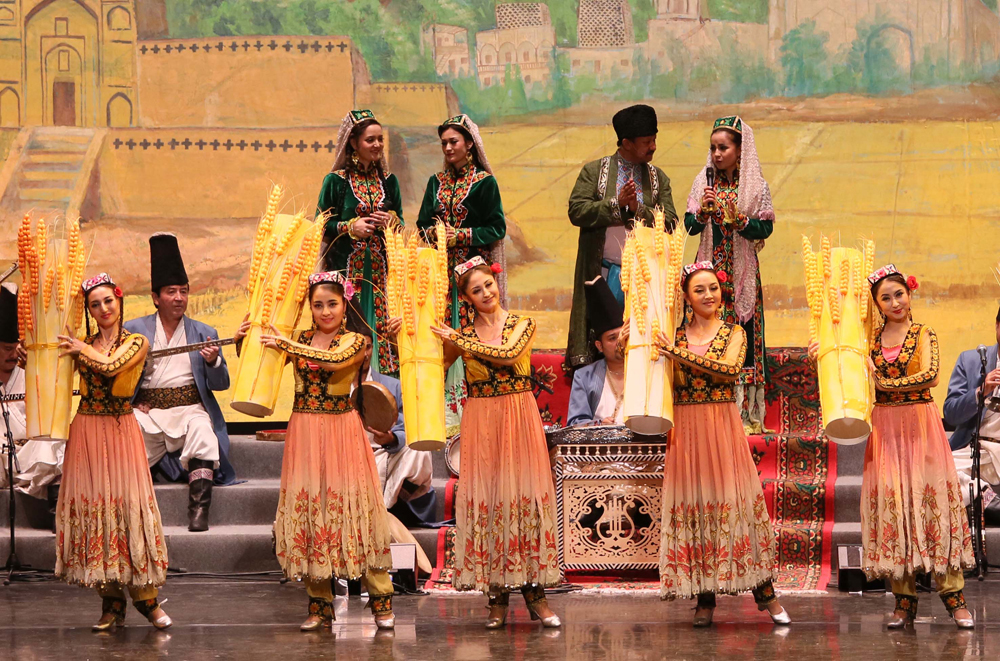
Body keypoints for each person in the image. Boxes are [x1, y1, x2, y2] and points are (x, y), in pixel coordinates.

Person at [237, 271, 395, 631]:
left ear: (345, 305)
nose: (325, 311)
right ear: (309, 307)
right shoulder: (300, 338)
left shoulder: (355, 340)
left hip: (341, 431)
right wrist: (243, 341)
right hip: (305, 431)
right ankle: (319, 604)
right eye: (318, 305)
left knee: (355, 512)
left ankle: (381, 601)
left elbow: (333, 362)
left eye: (332, 304)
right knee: (309, 511)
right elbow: (265, 363)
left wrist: (286, 345)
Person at [653, 262, 789, 627]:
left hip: (721, 424)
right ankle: (704, 597)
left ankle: (765, 593)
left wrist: (674, 353)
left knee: (735, 505)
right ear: (686, 297)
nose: (708, 295)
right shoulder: (674, 335)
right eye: (699, 290)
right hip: (686, 428)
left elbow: (728, 369)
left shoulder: (734, 333)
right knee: (696, 506)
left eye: (713, 287)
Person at [430, 256, 561, 629]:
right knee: (489, 501)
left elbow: (509, 355)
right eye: (477, 290)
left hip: (517, 415)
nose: (486, 292)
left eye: (488, 284)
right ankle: (496, 597)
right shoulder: (463, 335)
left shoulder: (522, 324)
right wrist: (404, 335)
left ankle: (536, 595)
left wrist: (456, 338)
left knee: (524, 498)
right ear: (466, 298)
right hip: (482, 418)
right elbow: (431, 364)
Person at [846, 265, 974, 629]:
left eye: (899, 294)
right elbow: (848, 371)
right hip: (885, 427)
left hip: (920, 423)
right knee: (895, 508)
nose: (894, 303)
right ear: (877, 305)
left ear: (910, 294)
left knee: (932, 504)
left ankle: (954, 598)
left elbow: (930, 376)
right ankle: (904, 600)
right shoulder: (869, 340)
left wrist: (883, 383)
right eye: (885, 298)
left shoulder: (923, 334)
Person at [55, 273, 171, 631]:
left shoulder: (136, 341)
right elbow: (58, 372)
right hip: (87, 430)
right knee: (95, 511)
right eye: (95, 304)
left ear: (119, 301)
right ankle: (111, 601)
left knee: (127, 508)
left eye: (108, 300)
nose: (103, 308)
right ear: (89, 311)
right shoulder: (84, 343)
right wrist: (35, 359)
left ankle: (147, 600)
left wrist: (80, 350)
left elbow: (111, 367)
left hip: (120, 431)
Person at [124, 233, 235, 532]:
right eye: (171, 291)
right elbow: (121, 375)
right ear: (155, 297)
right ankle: (129, 510)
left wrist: (213, 362)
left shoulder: (204, 332)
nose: (178, 298)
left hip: (189, 409)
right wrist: (135, 401)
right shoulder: (133, 329)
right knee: (126, 431)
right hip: (148, 413)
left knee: (202, 430)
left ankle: (198, 509)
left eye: (183, 291)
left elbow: (221, 384)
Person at [566, 104, 677, 369]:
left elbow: (671, 222)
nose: (653, 146)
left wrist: (639, 209)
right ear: (626, 143)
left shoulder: (658, 178)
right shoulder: (595, 172)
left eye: (654, 139)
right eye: (646, 142)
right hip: (604, 276)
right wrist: (617, 204)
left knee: (644, 348)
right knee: (604, 343)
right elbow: (577, 211)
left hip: (646, 281)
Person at [416, 114, 507, 434]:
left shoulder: (484, 182)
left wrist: (462, 236)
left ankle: (473, 411)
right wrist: (434, 234)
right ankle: (440, 415)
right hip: (440, 278)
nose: (448, 148)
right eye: (443, 143)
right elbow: (421, 224)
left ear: (469, 144)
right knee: (440, 334)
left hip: (471, 278)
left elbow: (497, 228)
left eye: (453, 141)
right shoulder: (435, 182)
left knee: (469, 335)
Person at [685, 116, 774, 434]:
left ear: (740, 149)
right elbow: (690, 226)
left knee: (744, 337)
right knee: (708, 334)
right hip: (709, 275)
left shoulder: (755, 186)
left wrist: (742, 222)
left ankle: (745, 414)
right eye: (713, 148)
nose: (717, 154)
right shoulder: (703, 182)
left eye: (723, 147)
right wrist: (702, 212)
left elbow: (766, 227)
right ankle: (708, 410)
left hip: (742, 276)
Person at [316, 109, 404, 377]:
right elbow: (320, 224)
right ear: (354, 143)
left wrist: (391, 220)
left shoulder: (389, 181)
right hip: (346, 271)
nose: (377, 145)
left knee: (383, 328)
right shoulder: (336, 181)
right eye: (370, 140)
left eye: (380, 139)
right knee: (349, 327)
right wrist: (350, 227)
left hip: (382, 275)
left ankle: (385, 390)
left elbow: (401, 224)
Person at [352, 323, 436, 526]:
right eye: (358, 348)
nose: (365, 354)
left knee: (419, 450)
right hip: (349, 457)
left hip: (385, 454)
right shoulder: (335, 387)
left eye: (368, 347)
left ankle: (383, 508)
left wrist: (391, 439)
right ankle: (382, 511)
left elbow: (408, 428)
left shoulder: (392, 385)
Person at [0, 285, 64, 515]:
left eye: (16, 348)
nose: (13, 354)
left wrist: (34, 370)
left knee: (54, 442)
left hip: (28, 454)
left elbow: (50, 414)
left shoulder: (30, 372)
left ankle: (56, 510)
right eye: (7, 348)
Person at [944, 306, 1000, 523]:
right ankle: (986, 498)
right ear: (997, 326)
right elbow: (951, 414)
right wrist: (980, 391)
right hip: (975, 450)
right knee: (931, 469)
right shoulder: (971, 361)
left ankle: (978, 501)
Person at [567, 276, 625, 426]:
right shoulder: (585, 376)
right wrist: (599, 425)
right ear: (599, 346)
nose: (620, 342)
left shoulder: (644, 371)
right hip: (601, 441)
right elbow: (575, 423)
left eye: (623, 335)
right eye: (612, 338)